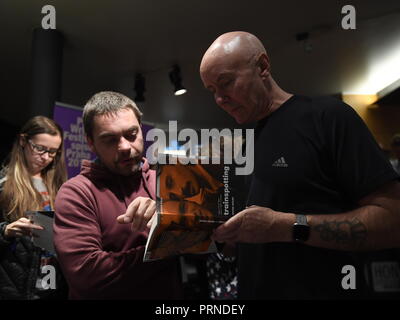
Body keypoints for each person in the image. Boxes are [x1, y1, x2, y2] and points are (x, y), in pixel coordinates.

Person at [199, 31, 400, 299]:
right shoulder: (243, 145)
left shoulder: (327, 117)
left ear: (262, 66)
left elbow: (392, 220)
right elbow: (252, 243)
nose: (219, 99)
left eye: (226, 82)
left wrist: (285, 226)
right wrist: (218, 237)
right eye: (212, 90)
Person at [53, 91, 183, 299]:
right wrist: (168, 247)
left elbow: (211, 239)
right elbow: (87, 275)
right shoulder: (76, 193)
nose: (124, 147)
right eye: (109, 140)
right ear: (91, 143)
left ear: (141, 130)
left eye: (131, 135)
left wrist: (170, 220)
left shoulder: (167, 181)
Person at [0, 115, 68, 299]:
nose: (45, 157)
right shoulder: (4, 185)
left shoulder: (60, 187)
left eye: (53, 152)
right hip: (16, 283)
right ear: (23, 141)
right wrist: (6, 230)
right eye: (39, 148)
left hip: (51, 281)